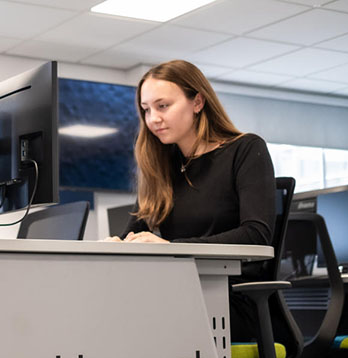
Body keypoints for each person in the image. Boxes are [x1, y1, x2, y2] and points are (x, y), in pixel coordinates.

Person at [107, 59, 279, 342]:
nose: (153, 119)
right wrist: (113, 245)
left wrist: (173, 247)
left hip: (230, 299)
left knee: (127, 328)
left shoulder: (245, 149)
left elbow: (257, 235)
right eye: (146, 110)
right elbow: (132, 234)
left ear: (197, 102)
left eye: (163, 106)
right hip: (182, 292)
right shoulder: (162, 165)